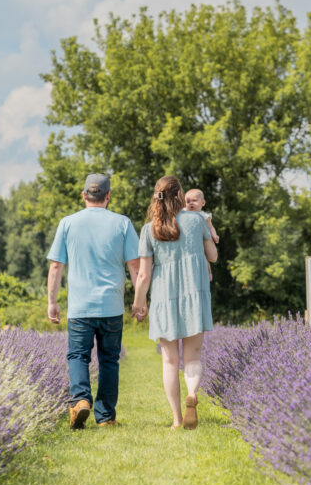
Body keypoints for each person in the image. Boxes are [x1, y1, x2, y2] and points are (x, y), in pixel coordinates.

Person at [47, 173, 141, 430]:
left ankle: (80, 401)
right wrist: (140, 300)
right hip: (111, 305)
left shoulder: (68, 223)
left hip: (79, 306)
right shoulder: (122, 223)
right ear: (108, 196)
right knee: (109, 359)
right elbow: (135, 264)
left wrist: (52, 302)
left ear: (84, 195)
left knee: (78, 355)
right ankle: (106, 417)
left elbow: (56, 266)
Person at [131, 175, 217, 430]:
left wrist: (138, 303)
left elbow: (144, 274)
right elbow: (212, 256)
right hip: (195, 295)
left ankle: (177, 419)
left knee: (169, 361)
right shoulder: (196, 220)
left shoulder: (148, 229)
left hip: (163, 299)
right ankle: (192, 393)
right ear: (180, 195)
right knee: (193, 355)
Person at [184, 187, 219, 281]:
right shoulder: (184, 213)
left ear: (202, 203)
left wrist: (214, 235)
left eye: (194, 201)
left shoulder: (204, 216)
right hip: (191, 243)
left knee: (205, 258)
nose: (191, 203)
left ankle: (209, 274)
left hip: (203, 240)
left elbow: (211, 227)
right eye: (188, 201)